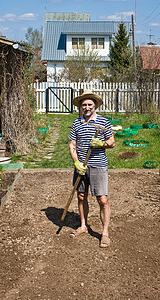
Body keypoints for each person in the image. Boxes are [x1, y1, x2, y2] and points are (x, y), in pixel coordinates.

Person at [69, 90, 115, 248]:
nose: (87, 107)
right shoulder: (77, 123)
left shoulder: (103, 122)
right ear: (81, 107)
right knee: (81, 196)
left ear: (95, 105)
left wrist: (101, 144)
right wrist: (76, 162)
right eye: (84, 105)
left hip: (98, 165)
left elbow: (112, 142)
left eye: (89, 104)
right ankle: (83, 226)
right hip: (81, 166)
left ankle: (105, 233)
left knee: (103, 199)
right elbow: (72, 145)